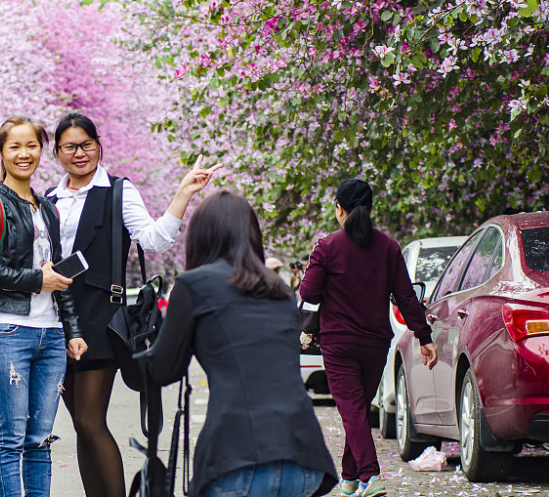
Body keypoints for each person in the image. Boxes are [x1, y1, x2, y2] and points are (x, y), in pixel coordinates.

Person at [33, 112, 218, 497]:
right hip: (55, 316)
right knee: (81, 425)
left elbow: (154, 240)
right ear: (57, 152)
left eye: (87, 144)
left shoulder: (118, 191)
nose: (80, 153)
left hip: (100, 317)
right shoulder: (47, 198)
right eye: (70, 146)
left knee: (88, 418)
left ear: (99, 145)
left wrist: (183, 193)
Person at [144, 192, 338, 497]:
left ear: (201, 236)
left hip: (238, 456)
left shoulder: (193, 285)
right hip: (304, 457)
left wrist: (129, 342)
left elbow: (162, 370)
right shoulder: (282, 290)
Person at [0, 116, 87, 497]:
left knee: (40, 439)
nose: (24, 154)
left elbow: (60, 272)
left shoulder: (47, 208)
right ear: (1, 152)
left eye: (31, 145)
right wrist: (38, 280)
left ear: (41, 150)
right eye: (14, 146)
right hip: (8, 330)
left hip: (51, 336)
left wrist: (73, 330)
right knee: (10, 438)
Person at [299, 179, 437, 497]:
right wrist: (424, 336)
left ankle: (371, 477)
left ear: (339, 210)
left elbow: (308, 292)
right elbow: (405, 295)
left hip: (338, 344)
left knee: (353, 410)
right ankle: (349, 478)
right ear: (371, 210)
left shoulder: (326, 247)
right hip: (376, 343)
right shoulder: (388, 248)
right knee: (358, 408)